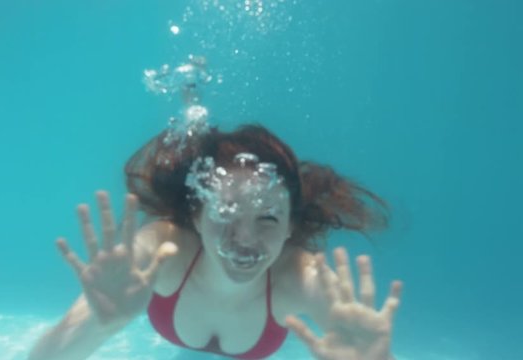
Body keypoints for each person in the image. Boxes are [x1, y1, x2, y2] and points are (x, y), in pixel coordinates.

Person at [28, 124, 403, 360]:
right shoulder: (163, 251)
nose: (245, 240)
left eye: (269, 218)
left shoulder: (302, 278)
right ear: (196, 215)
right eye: (225, 214)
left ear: (291, 225)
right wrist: (98, 323)